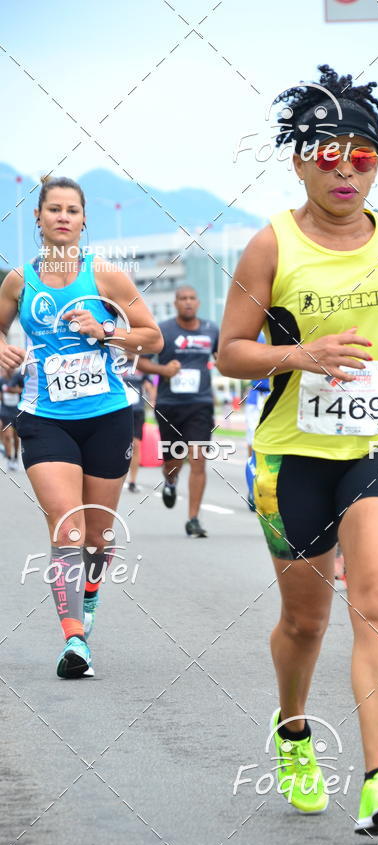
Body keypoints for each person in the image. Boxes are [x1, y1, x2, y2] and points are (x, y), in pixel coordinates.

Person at [218, 66, 378, 836]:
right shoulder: (270, 245)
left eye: (362, 154)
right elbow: (231, 353)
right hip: (291, 458)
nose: (346, 168)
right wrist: (300, 355)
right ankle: (292, 731)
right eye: (328, 153)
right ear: (299, 160)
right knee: (306, 623)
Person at [0, 176, 162, 678]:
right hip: (45, 418)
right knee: (66, 527)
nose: (63, 217)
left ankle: (89, 597)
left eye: (72, 210)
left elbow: (151, 338)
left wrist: (107, 330)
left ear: (84, 220)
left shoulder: (106, 276)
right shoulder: (18, 281)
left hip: (108, 416)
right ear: (39, 218)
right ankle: (74, 640)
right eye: (54, 209)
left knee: (97, 534)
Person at [136, 286, 219, 538]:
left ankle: (193, 519)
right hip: (169, 405)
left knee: (198, 459)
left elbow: (222, 356)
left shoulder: (212, 329)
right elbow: (140, 361)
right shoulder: (163, 330)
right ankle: (170, 481)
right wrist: (163, 371)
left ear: (198, 302)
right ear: (175, 303)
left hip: (200, 403)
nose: (188, 303)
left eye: (192, 298)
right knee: (173, 461)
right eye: (182, 299)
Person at [244, 333, 270, 511]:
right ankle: (252, 485)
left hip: (278, 394)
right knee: (253, 442)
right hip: (256, 395)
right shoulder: (255, 336)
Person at [123, 364, 155, 493]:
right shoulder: (116, 361)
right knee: (120, 446)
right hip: (120, 409)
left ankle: (132, 481)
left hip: (137, 411)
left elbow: (149, 386)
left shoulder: (141, 364)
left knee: (136, 445)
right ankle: (115, 479)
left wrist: (152, 400)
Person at [0, 368, 23, 470]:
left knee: (16, 437)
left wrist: (11, 390)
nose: (9, 370)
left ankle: (15, 457)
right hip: (6, 412)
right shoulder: (1, 380)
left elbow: (22, 390)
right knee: (8, 436)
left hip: (17, 411)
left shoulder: (18, 378)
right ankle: (9, 459)